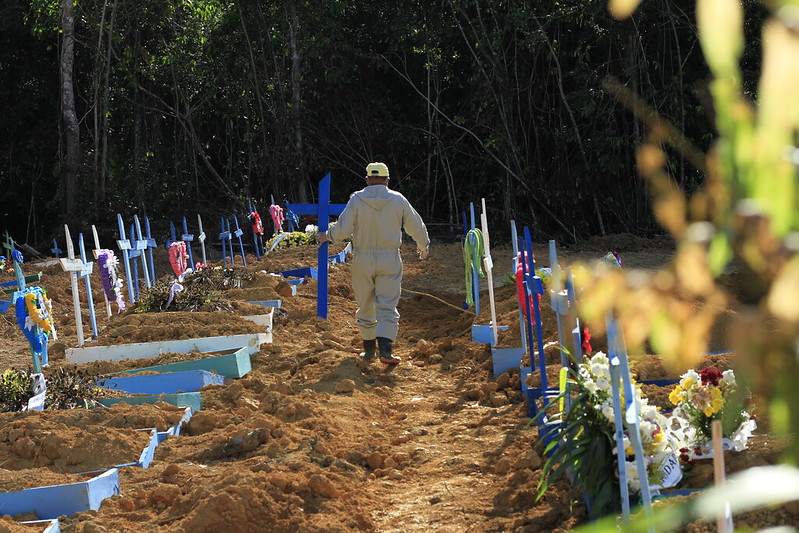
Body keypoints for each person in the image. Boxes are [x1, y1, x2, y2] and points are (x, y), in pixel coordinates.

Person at [317, 162, 429, 364]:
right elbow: (416, 224)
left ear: (367, 179)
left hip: (363, 257)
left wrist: (327, 236)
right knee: (387, 303)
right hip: (389, 257)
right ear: (387, 180)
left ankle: (369, 352)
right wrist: (423, 245)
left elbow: (342, 231)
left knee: (365, 303)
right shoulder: (398, 200)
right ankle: (386, 352)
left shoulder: (357, 200)